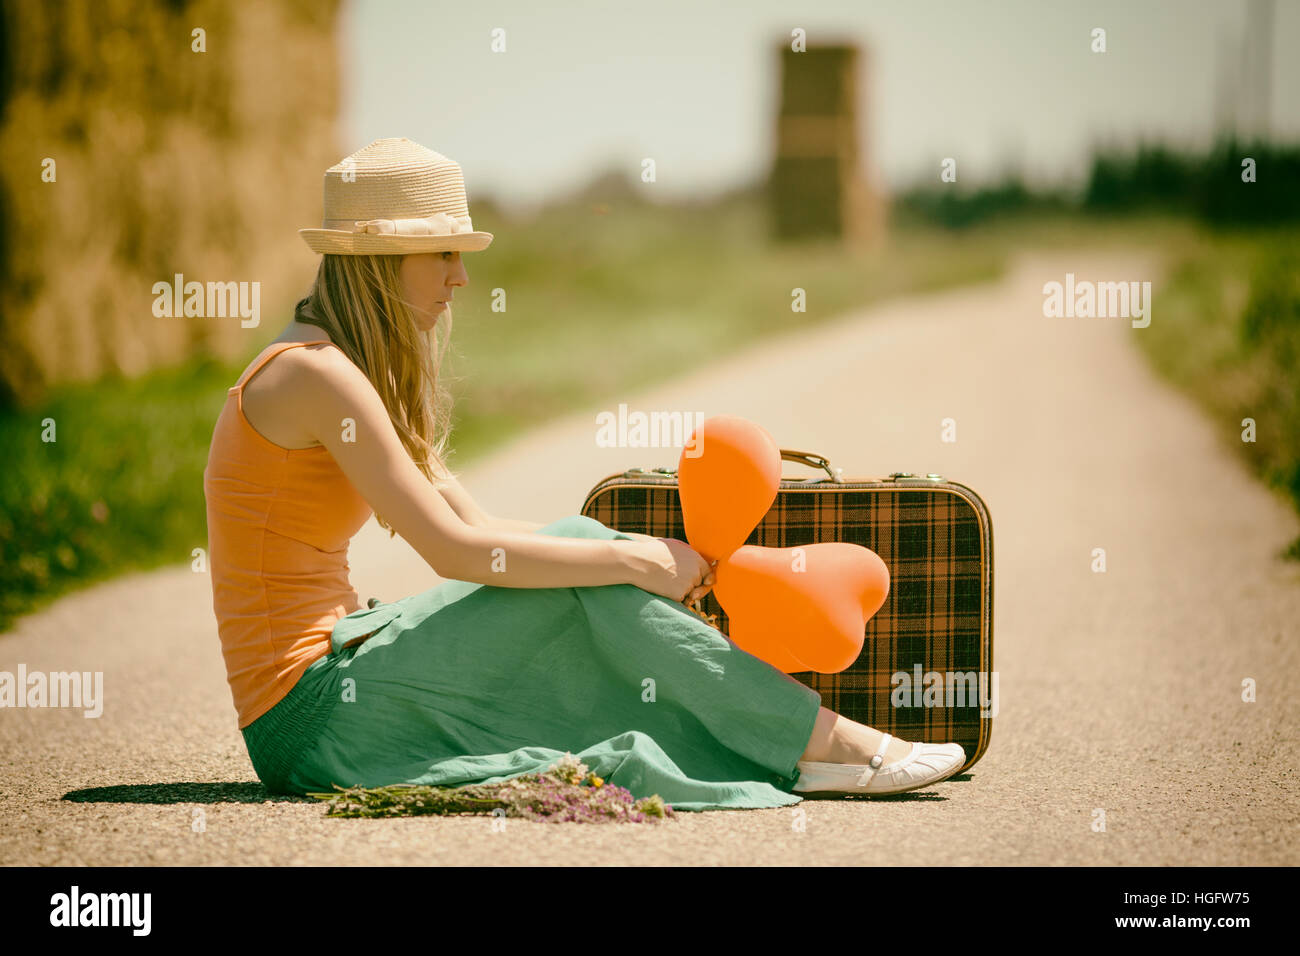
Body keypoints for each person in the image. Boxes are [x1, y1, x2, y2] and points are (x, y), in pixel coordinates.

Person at [202, 138, 966, 812]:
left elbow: (478, 528)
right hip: (310, 714)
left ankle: (799, 739)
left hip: (348, 662)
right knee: (590, 557)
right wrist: (628, 560)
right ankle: (819, 739)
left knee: (581, 541)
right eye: (443, 254)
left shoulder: (339, 368)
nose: (461, 278)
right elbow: (453, 553)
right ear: (378, 262)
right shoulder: (314, 375)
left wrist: (622, 548)